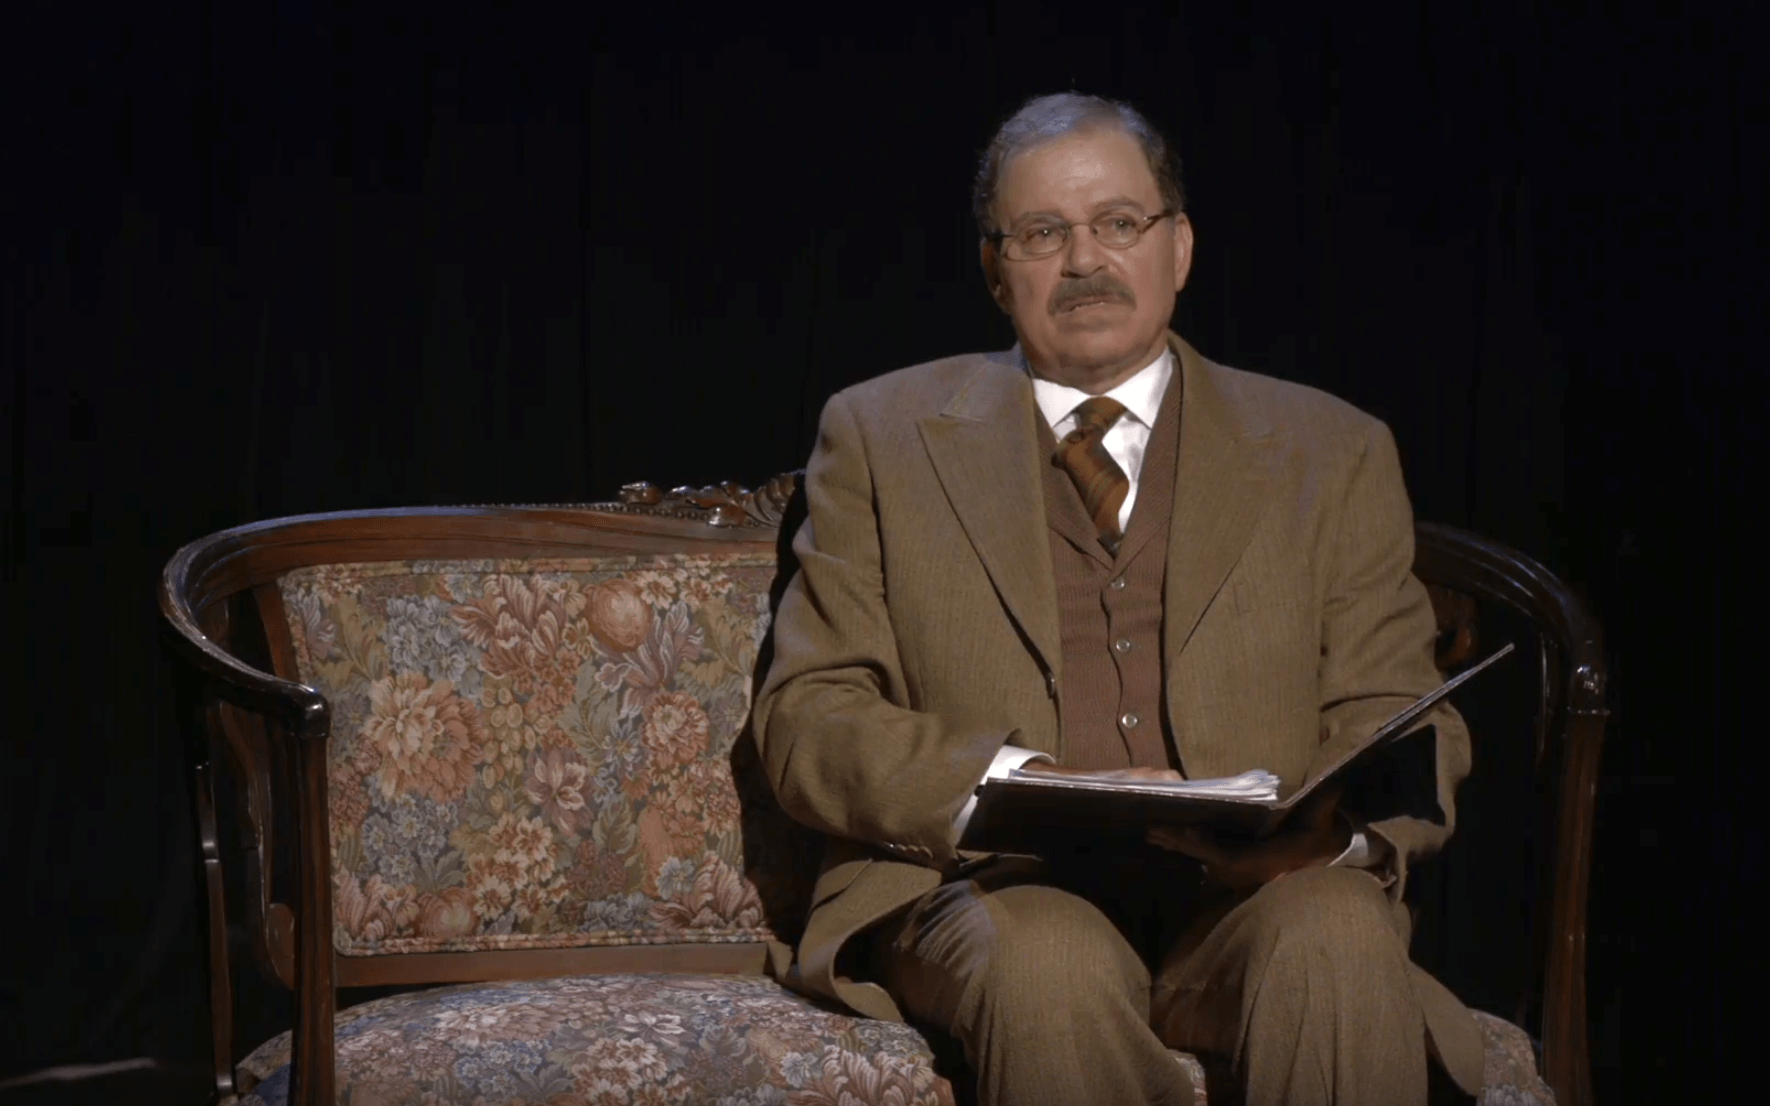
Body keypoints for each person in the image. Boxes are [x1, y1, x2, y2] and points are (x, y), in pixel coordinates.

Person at [751, 92, 1484, 1106]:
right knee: (1050, 963)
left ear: (1178, 248)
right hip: (997, 890)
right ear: (996, 270)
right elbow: (809, 714)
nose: (1084, 260)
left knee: (1339, 927)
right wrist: (1014, 777)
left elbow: (1402, 711)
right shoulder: (879, 435)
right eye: (1043, 232)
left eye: (1119, 224)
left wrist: (1335, 839)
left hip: (1251, 902)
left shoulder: (1331, 447)